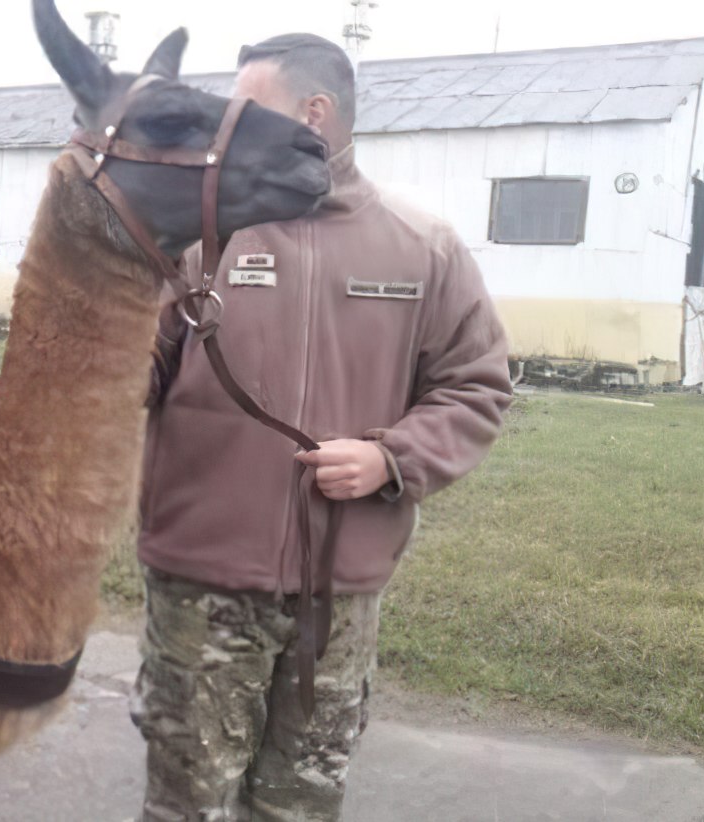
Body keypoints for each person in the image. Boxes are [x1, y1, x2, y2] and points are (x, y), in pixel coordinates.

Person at [133, 33, 513, 821]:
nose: (227, 126)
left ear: (314, 113)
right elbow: (125, 377)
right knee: (186, 806)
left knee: (300, 806)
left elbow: (475, 385)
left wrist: (391, 459)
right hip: (200, 592)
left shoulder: (423, 247)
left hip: (335, 604)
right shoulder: (198, 237)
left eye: (247, 108)